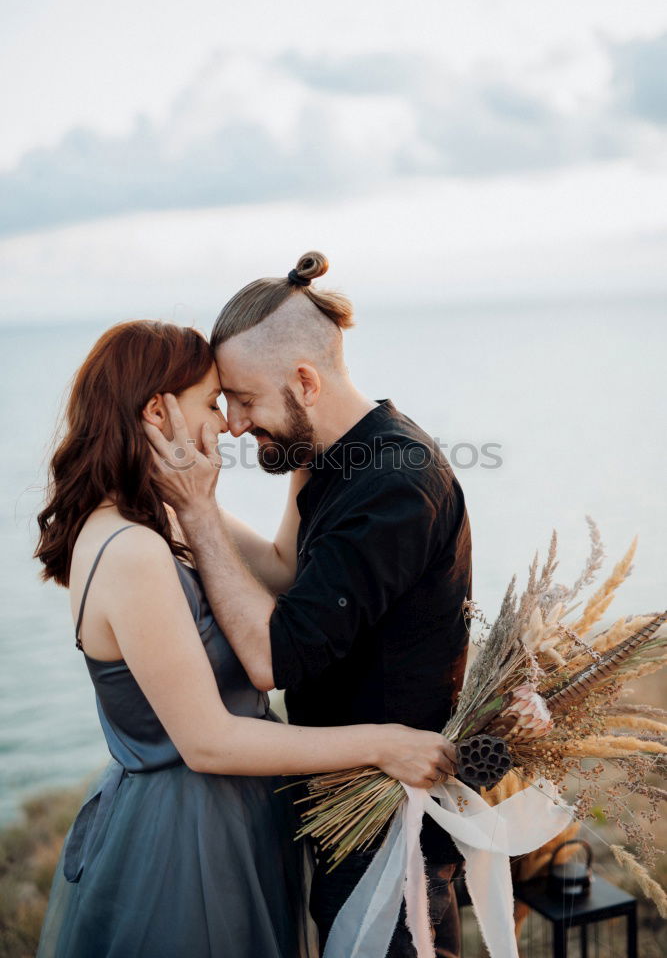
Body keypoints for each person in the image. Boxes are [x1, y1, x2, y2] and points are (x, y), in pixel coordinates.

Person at [33, 319, 458, 958]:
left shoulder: (163, 510)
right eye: (211, 403)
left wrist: (305, 446)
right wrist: (384, 745)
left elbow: (281, 570)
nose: (227, 425)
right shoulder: (131, 550)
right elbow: (207, 741)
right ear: (158, 411)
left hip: (231, 815)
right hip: (187, 838)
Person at [144, 252, 473, 957]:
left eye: (241, 398)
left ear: (303, 380)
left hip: (390, 826)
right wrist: (170, 501)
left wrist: (200, 515)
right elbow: (284, 571)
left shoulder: (394, 485)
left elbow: (269, 658)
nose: (231, 425)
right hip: (345, 808)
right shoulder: (333, 458)